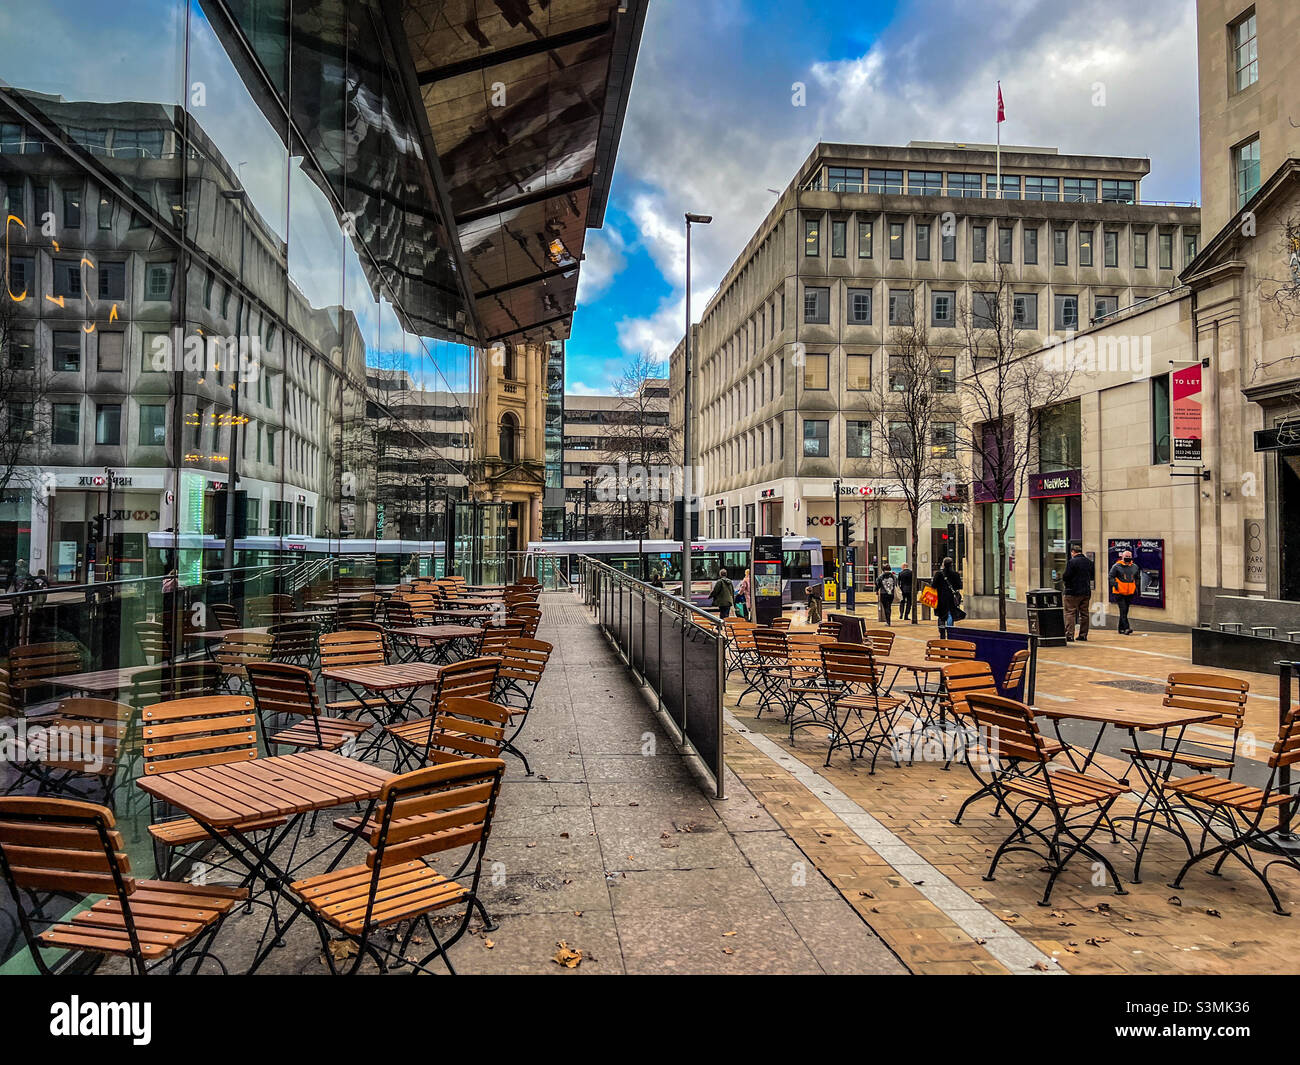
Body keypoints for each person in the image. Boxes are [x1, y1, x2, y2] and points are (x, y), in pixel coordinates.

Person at [1062, 545, 1095, 641]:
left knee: (1070, 612)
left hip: (1072, 592)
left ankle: (1069, 635)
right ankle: (1083, 634)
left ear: (1073, 552)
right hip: (1086, 591)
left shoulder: (1072, 562)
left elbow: (1066, 576)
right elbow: (1092, 576)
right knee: (1084, 613)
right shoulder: (1089, 562)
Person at [1109, 549, 1140, 635]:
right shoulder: (1116, 566)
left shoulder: (1134, 566)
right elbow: (1110, 577)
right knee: (1123, 610)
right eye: (1126, 557)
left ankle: (1120, 629)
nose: (1128, 558)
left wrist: (1136, 586)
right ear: (1122, 557)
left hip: (1130, 592)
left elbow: (1137, 577)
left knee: (1125, 611)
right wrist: (1116, 585)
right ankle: (1126, 628)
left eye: (1129, 557)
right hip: (1119, 592)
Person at [932, 557, 963, 629]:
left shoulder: (938, 574)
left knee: (941, 615)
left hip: (940, 597)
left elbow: (933, 586)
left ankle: (942, 632)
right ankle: (950, 630)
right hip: (951, 597)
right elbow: (959, 586)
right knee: (950, 613)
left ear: (943, 564)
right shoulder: (955, 574)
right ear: (951, 564)